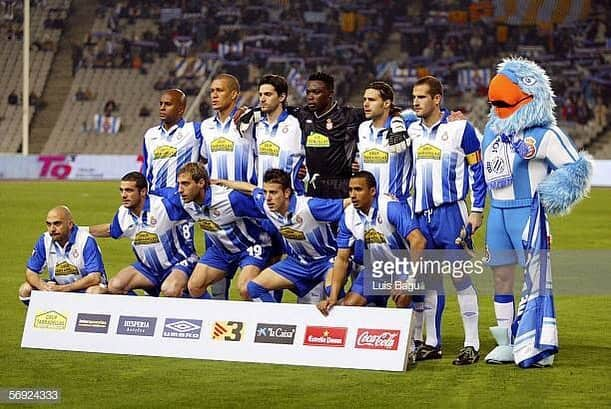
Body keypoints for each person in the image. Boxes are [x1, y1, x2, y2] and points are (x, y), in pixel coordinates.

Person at [408, 75, 486, 365]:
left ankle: (472, 344)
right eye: (413, 97)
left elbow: (478, 171)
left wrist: (477, 210)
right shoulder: (411, 128)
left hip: (451, 213)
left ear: (437, 99)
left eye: (421, 97)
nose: (415, 102)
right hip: (422, 215)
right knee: (429, 281)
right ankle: (432, 342)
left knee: (460, 277)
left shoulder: (460, 128)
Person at [216, 168, 349, 301]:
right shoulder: (267, 205)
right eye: (266, 192)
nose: (268, 198)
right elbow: (251, 189)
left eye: (273, 192)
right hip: (298, 263)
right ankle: (277, 321)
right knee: (252, 288)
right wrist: (224, 182)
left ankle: (351, 317)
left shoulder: (309, 206)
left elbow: (346, 204)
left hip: (326, 261)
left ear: (286, 193)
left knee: (336, 293)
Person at [318, 171, 426, 314]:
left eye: (358, 189)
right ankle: (377, 306)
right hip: (377, 269)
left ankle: (414, 334)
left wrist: (410, 281)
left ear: (372, 191)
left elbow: (418, 240)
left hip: (404, 265)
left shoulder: (389, 207)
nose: (352, 195)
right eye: (350, 190)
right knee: (349, 305)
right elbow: (342, 258)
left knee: (402, 297)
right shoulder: (348, 215)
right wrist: (332, 297)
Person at [171, 163, 271, 300]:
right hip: (221, 250)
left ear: (201, 183)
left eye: (185, 184)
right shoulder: (185, 202)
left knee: (246, 289)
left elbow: (268, 212)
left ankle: (271, 318)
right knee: (194, 287)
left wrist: (276, 246)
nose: (180, 190)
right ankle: (216, 319)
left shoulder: (230, 199)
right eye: (179, 184)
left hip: (250, 247)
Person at [89, 172, 198, 297]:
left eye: (129, 190)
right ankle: (142, 311)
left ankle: (198, 305)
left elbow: (192, 212)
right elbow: (112, 230)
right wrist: (82, 230)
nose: (124, 195)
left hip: (179, 262)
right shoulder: (123, 213)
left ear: (143, 192)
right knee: (115, 285)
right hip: (149, 269)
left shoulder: (163, 206)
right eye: (122, 190)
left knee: (170, 289)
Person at [200, 73, 260, 299]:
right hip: (215, 206)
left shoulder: (250, 123)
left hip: (244, 204)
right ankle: (217, 320)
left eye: (220, 90)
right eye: (212, 91)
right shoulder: (206, 127)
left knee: (253, 273)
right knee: (216, 271)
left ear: (234, 94)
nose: (214, 95)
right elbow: (205, 159)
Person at [18, 206, 107, 305]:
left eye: (57, 224)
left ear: (70, 224)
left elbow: (94, 278)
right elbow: (30, 273)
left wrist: (64, 289)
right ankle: (41, 317)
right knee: (25, 290)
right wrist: (44, 287)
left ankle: (88, 319)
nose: (52, 229)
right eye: (49, 224)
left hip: (84, 287)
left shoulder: (85, 240)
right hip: (58, 286)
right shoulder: (44, 240)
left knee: (94, 292)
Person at [357, 81, 416, 201]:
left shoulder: (404, 127)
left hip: (397, 203)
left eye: (372, 100)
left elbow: (422, 116)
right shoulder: (363, 128)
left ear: (386, 103)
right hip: (369, 204)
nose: (366, 104)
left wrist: (398, 119)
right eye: (365, 100)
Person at [250, 74, 305, 195]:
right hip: (264, 199)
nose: (262, 99)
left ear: (282, 97)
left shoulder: (297, 124)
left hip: (290, 199)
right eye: (260, 94)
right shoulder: (256, 126)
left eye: (268, 94)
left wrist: (305, 171)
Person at [141, 89, 202, 193]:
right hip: (156, 200)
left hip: (182, 199)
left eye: (168, 104)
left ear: (180, 109)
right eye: (161, 104)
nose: (162, 108)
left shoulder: (194, 130)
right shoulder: (150, 135)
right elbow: (146, 170)